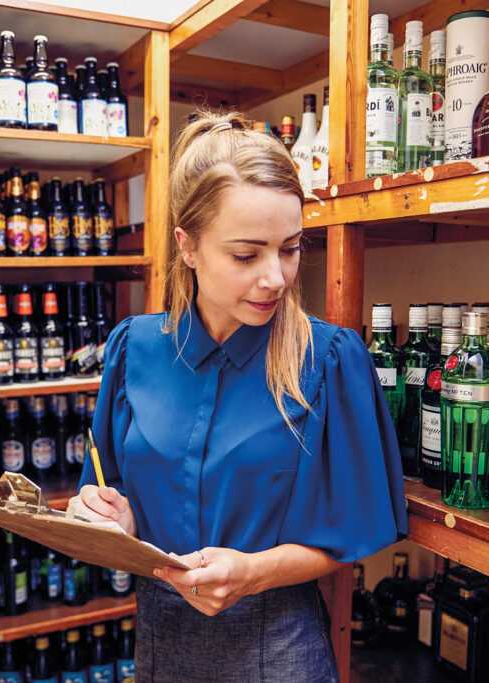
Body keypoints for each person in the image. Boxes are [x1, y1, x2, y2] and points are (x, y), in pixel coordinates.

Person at [68, 111, 406, 681]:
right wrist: (107, 522)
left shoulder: (327, 361)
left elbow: (355, 532)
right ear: (188, 246)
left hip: (277, 652)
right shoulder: (133, 350)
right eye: (247, 255)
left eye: (292, 248)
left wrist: (254, 572)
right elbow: (103, 491)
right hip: (158, 648)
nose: (276, 277)